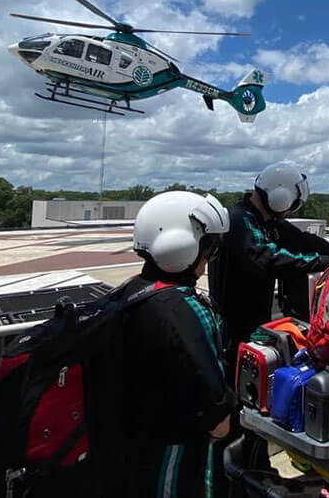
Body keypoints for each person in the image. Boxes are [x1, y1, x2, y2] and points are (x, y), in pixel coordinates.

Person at [208, 162, 329, 491]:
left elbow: (302, 240)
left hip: (254, 329)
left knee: (254, 412)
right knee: (239, 414)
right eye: (292, 204)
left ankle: (256, 470)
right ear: (281, 198)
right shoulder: (240, 221)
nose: (290, 212)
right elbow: (265, 259)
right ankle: (230, 482)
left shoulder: (265, 221)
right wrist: (325, 263)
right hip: (234, 333)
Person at [120, 190, 239, 497]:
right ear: (183, 245)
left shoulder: (129, 291)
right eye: (208, 249)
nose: (209, 258)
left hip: (128, 439)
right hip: (173, 449)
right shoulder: (187, 309)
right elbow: (216, 411)